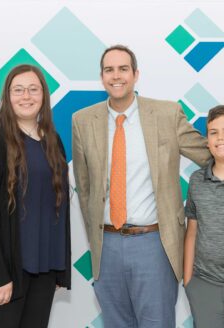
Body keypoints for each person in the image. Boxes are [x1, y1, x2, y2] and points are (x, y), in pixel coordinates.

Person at [72, 44, 211, 328]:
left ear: (136, 74)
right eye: (109, 70)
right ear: (101, 77)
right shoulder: (82, 121)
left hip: (155, 243)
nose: (116, 76)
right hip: (106, 246)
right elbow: (84, 188)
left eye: (123, 69)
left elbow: (209, 155)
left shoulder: (167, 114)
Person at [0, 64, 71, 328]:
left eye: (33, 89)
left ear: (44, 96)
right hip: (4, 273)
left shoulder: (53, 141)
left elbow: (57, 207)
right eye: (19, 90)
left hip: (43, 270)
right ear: (7, 97)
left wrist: (60, 269)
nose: (26, 96)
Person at [184, 105, 224, 328]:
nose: (220, 138)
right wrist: (189, 281)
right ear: (207, 139)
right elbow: (192, 232)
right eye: (214, 132)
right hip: (205, 284)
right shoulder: (197, 181)